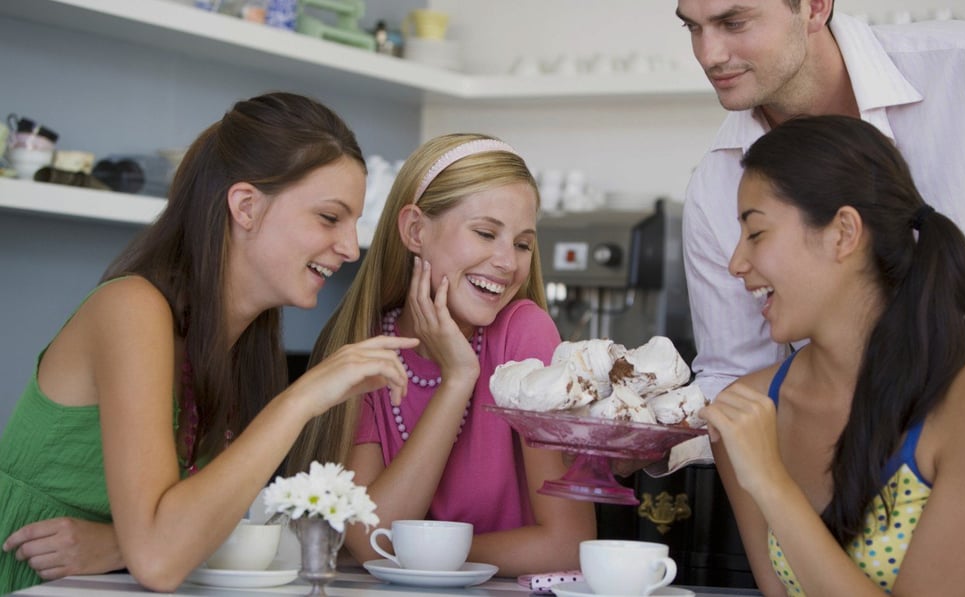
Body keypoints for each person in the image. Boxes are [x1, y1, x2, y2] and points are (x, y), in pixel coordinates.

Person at [0, 92, 417, 594]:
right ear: (244, 206)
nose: (350, 248)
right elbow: (158, 558)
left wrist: (116, 543)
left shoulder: (244, 340)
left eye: (354, 225)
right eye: (330, 218)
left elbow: (181, 528)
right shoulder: (133, 309)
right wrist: (302, 397)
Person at [669, 0, 965, 471]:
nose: (709, 55)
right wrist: (644, 432)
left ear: (815, 7)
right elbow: (739, 379)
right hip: (857, 500)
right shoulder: (715, 184)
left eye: (733, 23)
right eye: (693, 28)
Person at [701, 114, 965, 595]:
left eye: (757, 233)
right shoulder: (750, 408)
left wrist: (771, 482)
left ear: (843, 233)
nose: (735, 263)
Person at [286, 133, 597, 577]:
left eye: (523, 243)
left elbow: (567, 545)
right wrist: (456, 380)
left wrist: (428, 558)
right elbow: (370, 539)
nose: (508, 262)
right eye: (486, 233)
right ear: (415, 230)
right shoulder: (368, 348)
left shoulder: (523, 335)